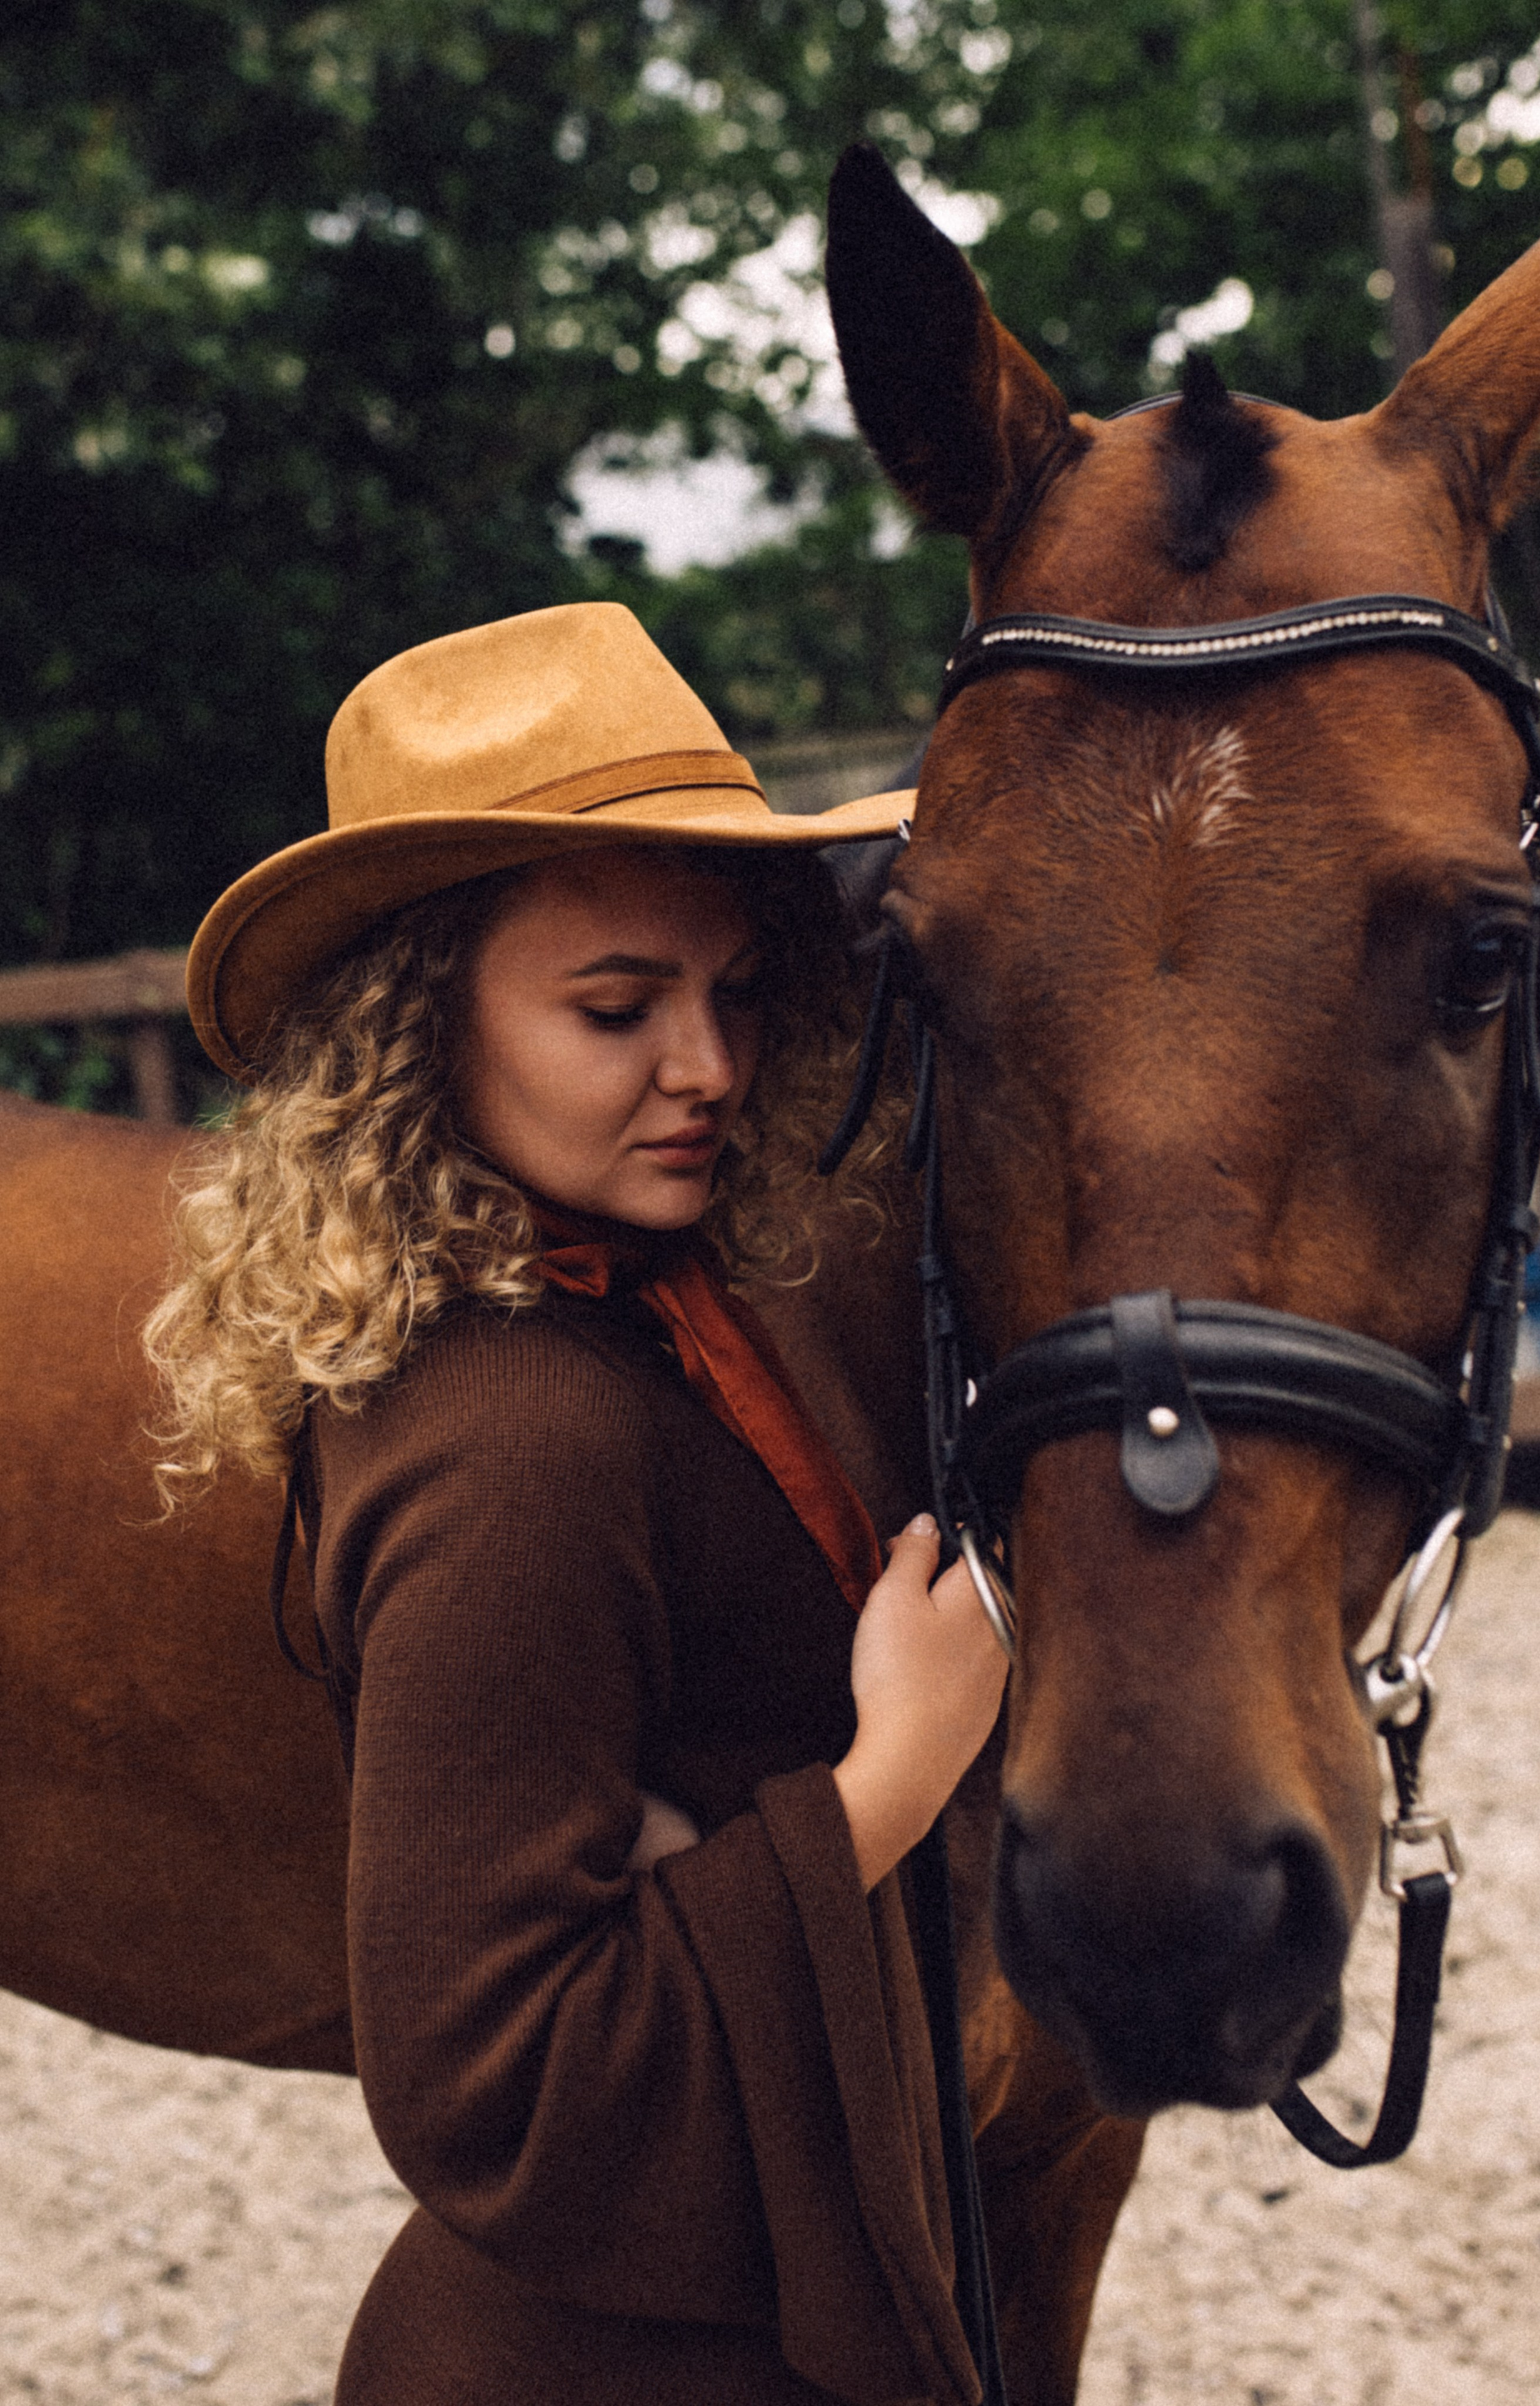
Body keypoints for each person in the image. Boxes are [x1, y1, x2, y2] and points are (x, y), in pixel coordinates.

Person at [146, 603, 1009, 2406]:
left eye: (734, 994)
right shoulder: (517, 1432)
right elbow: (494, 2082)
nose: (707, 1065)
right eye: (616, 1007)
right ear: (411, 1032)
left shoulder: (636, 1305)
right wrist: (884, 1787)